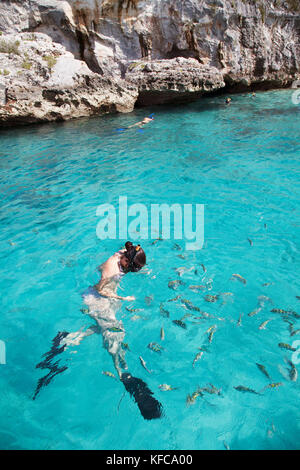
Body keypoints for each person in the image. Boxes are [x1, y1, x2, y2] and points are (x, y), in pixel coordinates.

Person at [62, 242, 146, 378]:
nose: (130, 269)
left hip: (107, 296)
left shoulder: (126, 253)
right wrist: (123, 298)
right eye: (130, 267)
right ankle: (118, 369)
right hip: (96, 298)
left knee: (109, 327)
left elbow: (133, 253)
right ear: (126, 260)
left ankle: (73, 337)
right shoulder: (110, 270)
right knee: (115, 332)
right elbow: (100, 290)